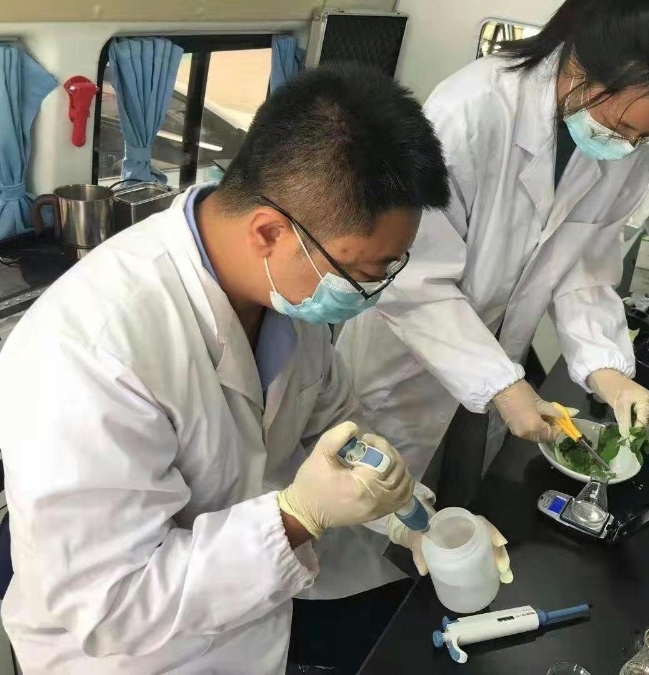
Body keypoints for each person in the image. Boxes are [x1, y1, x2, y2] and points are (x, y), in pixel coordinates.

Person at [0, 66, 498, 674]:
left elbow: (335, 427)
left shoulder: (287, 290)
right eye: (363, 272)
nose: (370, 294)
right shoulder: (91, 351)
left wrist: (410, 515)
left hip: (249, 620)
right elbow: (114, 606)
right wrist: (298, 517)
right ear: (269, 231)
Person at [337, 0, 649, 488]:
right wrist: (500, 384)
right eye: (623, 127)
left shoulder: (624, 146)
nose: (629, 146)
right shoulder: (469, 111)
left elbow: (584, 265)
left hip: (506, 359)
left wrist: (606, 369)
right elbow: (410, 275)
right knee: (376, 507)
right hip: (408, 367)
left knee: (463, 503)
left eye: (646, 136)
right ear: (580, 62)